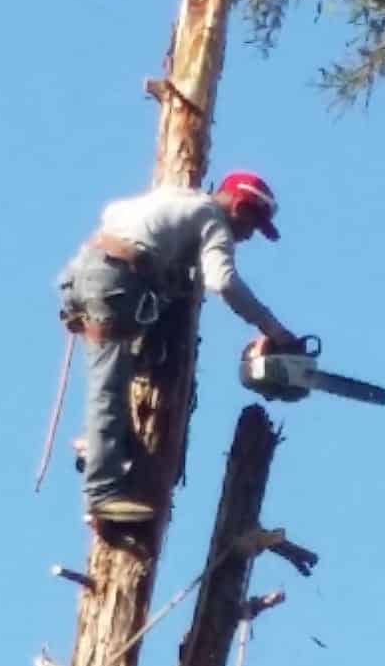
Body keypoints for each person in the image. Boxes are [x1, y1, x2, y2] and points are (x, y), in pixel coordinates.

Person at [58, 171, 303, 525]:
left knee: (142, 355)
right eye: (251, 224)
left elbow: (113, 210)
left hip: (85, 273)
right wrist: (273, 329)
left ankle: (104, 444)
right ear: (238, 205)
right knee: (108, 384)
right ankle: (101, 494)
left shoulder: (179, 198)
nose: (248, 235)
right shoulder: (213, 219)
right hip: (113, 282)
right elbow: (224, 282)